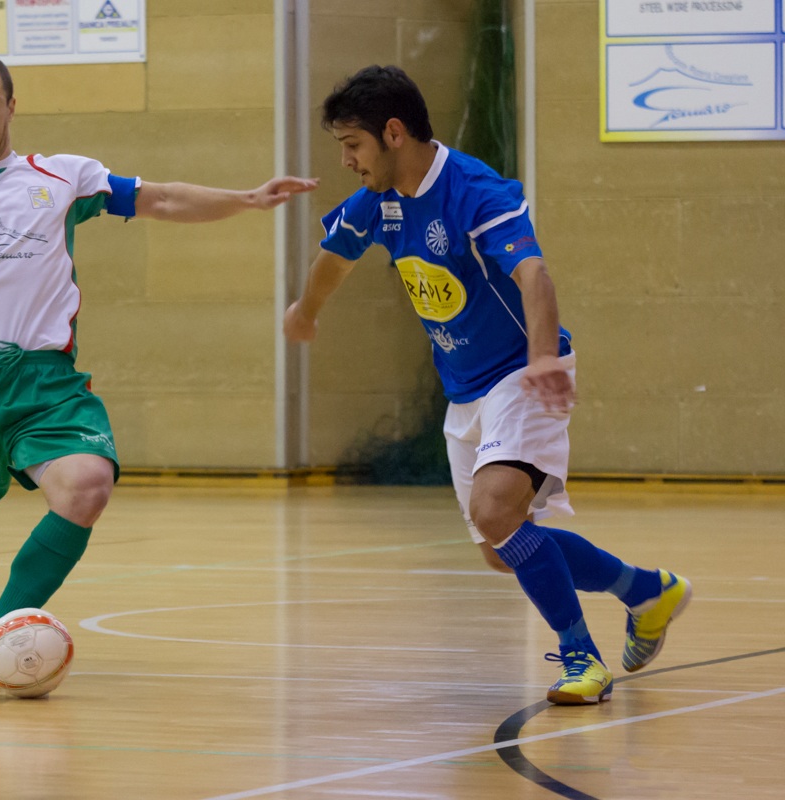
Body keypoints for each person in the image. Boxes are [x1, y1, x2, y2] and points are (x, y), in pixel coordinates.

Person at [0, 52, 316, 686]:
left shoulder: (63, 178)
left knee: (87, 484)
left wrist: (248, 199)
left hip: (46, 382)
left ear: (11, 104)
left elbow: (162, 200)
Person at [283, 65, 690, 705]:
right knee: (504, 548)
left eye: (353, 145)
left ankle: (583, 659)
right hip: (465, 389)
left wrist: (540, 361)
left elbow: (535, 276)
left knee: (496, 511)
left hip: (521, 374)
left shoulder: (476, 191)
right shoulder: (378, 204)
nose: (345, 161)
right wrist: (306, 310)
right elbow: (333, 259)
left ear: (393, 133)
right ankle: (646, 590)